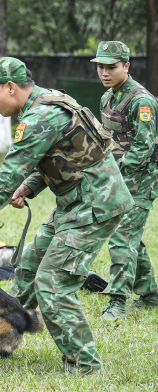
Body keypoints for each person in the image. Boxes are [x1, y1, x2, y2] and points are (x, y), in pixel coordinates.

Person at [0, 57, 134, 375]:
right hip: (76, 201)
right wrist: (30, 187)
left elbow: (6, 176)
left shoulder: (38, 116)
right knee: (30, 264)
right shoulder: (50, 101)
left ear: (9, 87)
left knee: (52, 283)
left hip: (95, 205)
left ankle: (83, 363)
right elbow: (65, 154)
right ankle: (0, 335)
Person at [91, 41, 158, 320]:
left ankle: (118, 301)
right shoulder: (108, 98)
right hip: (117, 179)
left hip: (140, 181)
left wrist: (115, 170)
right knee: (129, 238)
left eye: (112, 67)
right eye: (101, 66)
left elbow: (144, 148)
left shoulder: (142, 101)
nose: (105, 72)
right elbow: (106, 139)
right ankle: (151, 293)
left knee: (121, 239)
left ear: (126, 67)